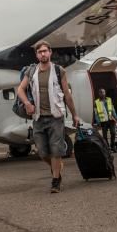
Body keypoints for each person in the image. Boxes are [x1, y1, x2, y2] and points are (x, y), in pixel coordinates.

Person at [17, 40, 80, 193]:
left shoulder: (59, 71)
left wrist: (75, 115)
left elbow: (67, 95)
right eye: (40, 52)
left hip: (55, 117)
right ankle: (56, 167)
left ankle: (56, 180)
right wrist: (26, 103)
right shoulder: (31, 71)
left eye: (45, 51)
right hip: (38, 118)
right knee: (42, 152)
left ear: (50, 52)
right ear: (37, 55)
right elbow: (20, 89)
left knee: (56, 150)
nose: (43, 54)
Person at [94, 88, 117, 152]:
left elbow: (112, 109)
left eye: (103, 92)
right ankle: (108, 148)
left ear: (105, 93)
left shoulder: (109, 100)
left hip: (111, 120)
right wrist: (98, 121)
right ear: (98, 94)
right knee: (104, 136)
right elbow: (96, 113)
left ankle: (113, 146)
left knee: (113, 133)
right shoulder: (96, 102)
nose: (102, 93)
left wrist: (115, 117)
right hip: (103, 121)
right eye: (101, 92)